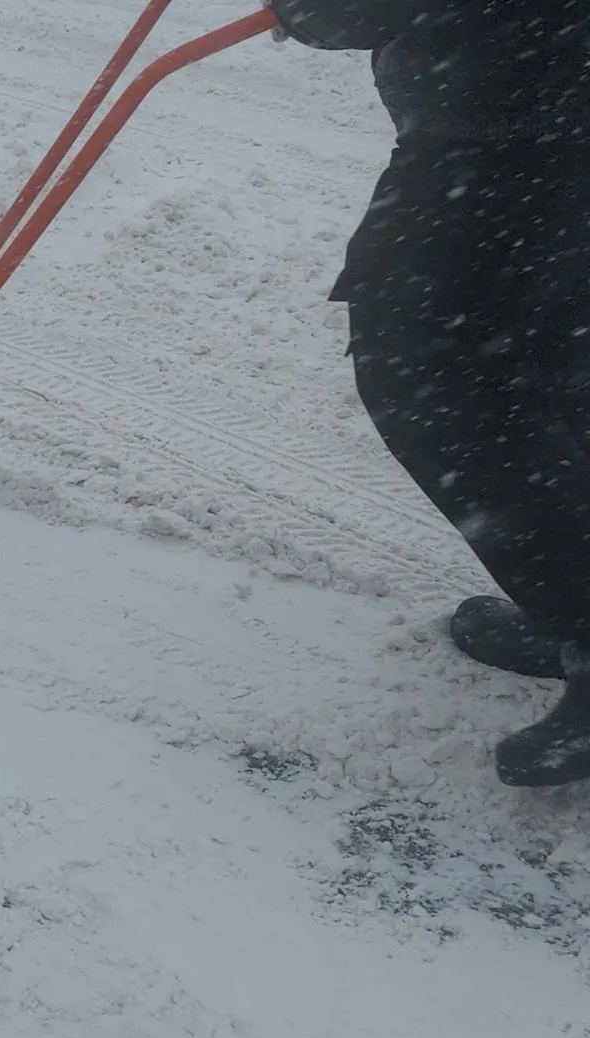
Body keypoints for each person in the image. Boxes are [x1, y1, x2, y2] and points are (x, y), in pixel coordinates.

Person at [264, 0, 590, 786]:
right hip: (541, 90)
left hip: (528, 104)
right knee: (548, 360)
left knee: (436, 366)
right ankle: (575, 600)